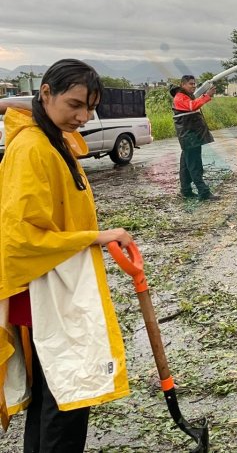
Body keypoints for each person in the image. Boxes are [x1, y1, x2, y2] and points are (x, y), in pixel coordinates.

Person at [0, 59, 132, 451]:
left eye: (90, 107)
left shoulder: (50, 135)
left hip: (54, 288)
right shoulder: (31, 149)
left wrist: (23, 109)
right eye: (75, 104)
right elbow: (20, 236)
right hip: (43, 295)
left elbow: (74, 144)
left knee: (51, 397)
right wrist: (96, 236)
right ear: (45, 93)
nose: (83, 116)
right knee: (68, 397)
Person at [170, 75, 218, 200]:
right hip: (189, 137)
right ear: (183, 84)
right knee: (195, 165)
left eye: (194, 84)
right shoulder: (180, 97)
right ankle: (204, 192)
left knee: (186, 166)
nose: (193, 86)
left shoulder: (185, 96)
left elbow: (194, 103)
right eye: (191, 84)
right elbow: (192, 106)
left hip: (190, 137)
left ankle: (186, 190)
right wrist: (207, 96)